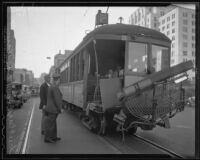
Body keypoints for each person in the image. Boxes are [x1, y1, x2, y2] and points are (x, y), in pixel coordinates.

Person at [43, 73, 62, 143]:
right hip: (52, 108)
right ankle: (47, 138)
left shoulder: (52, 86)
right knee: (50, 124)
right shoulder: (54, 87)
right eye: (59, 80)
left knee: (53, 124)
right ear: (57, 80)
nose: (60, 81)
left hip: (51, 108)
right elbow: (57, 99)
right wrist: (60, 108)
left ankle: (53, 137)